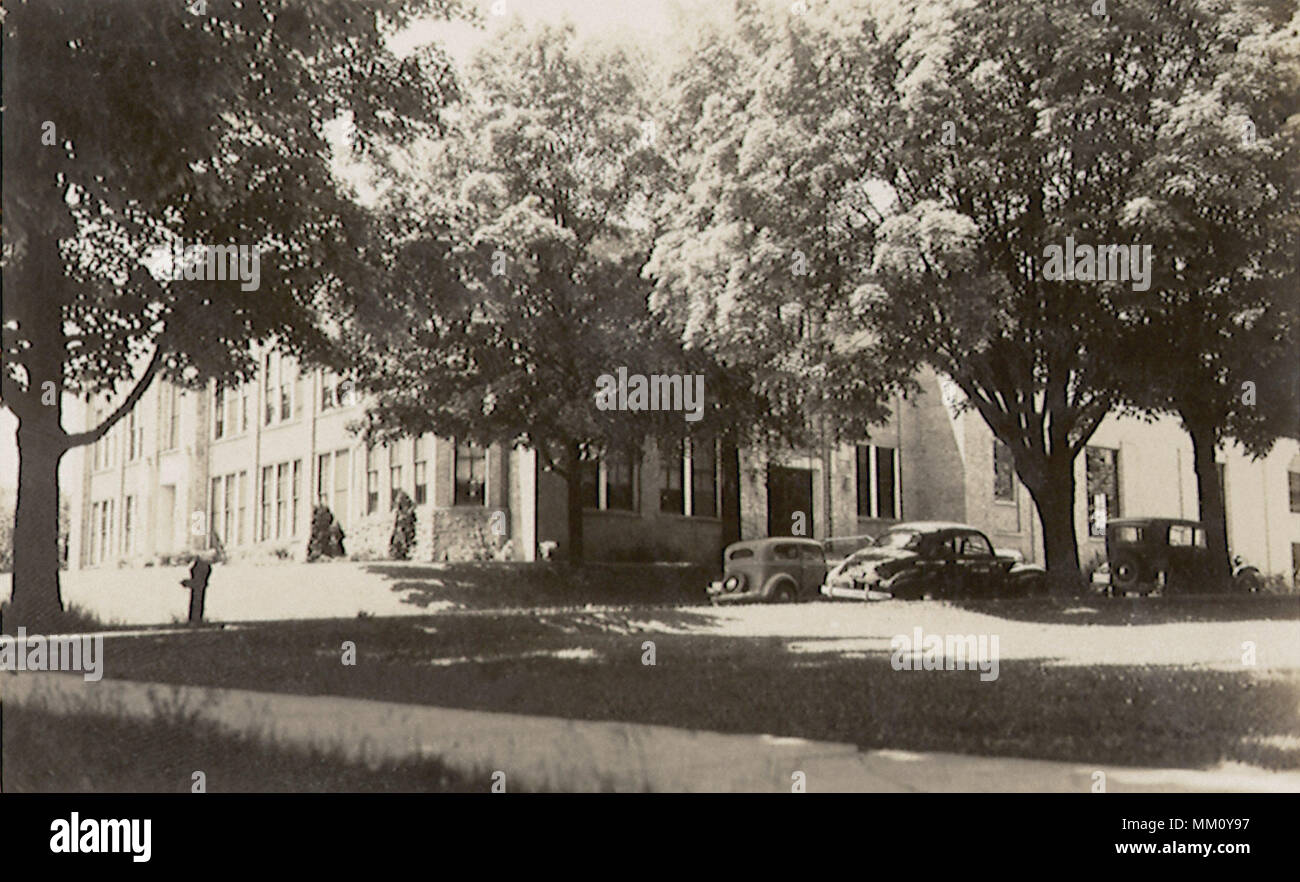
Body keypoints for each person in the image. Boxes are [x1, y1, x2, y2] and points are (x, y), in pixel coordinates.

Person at [180, 553, 213, 624]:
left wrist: (186, 583)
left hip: (198, 587)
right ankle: (196, 619)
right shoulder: (204, 567)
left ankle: (195, 619)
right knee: (198, 602)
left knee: (196, 602)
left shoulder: (200, 567)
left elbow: (197, 581)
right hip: (199, 586)